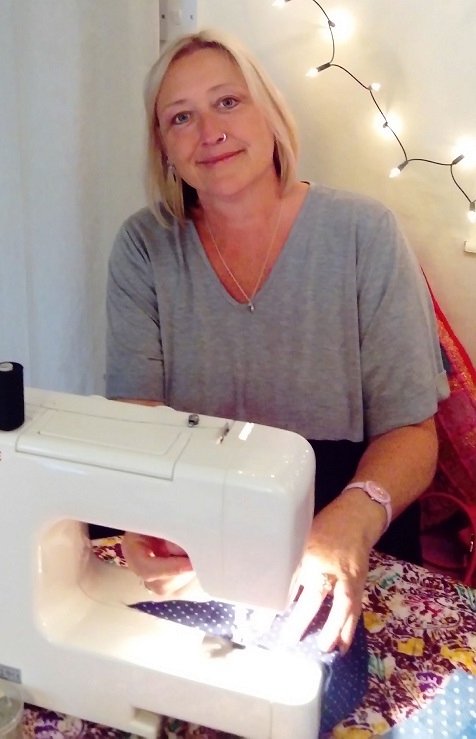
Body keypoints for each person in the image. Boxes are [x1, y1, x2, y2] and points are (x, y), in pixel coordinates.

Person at [105, 28, 449, 654]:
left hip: (345, 501)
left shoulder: (363, 231)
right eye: (181, 116)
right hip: (205, 508)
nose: (209, 131)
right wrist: (146, 511)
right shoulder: (143, 245)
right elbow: (138, 419)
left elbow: (413, 434)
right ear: (162, 147)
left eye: (228, 102)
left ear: (270, 112)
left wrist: (352, 517)